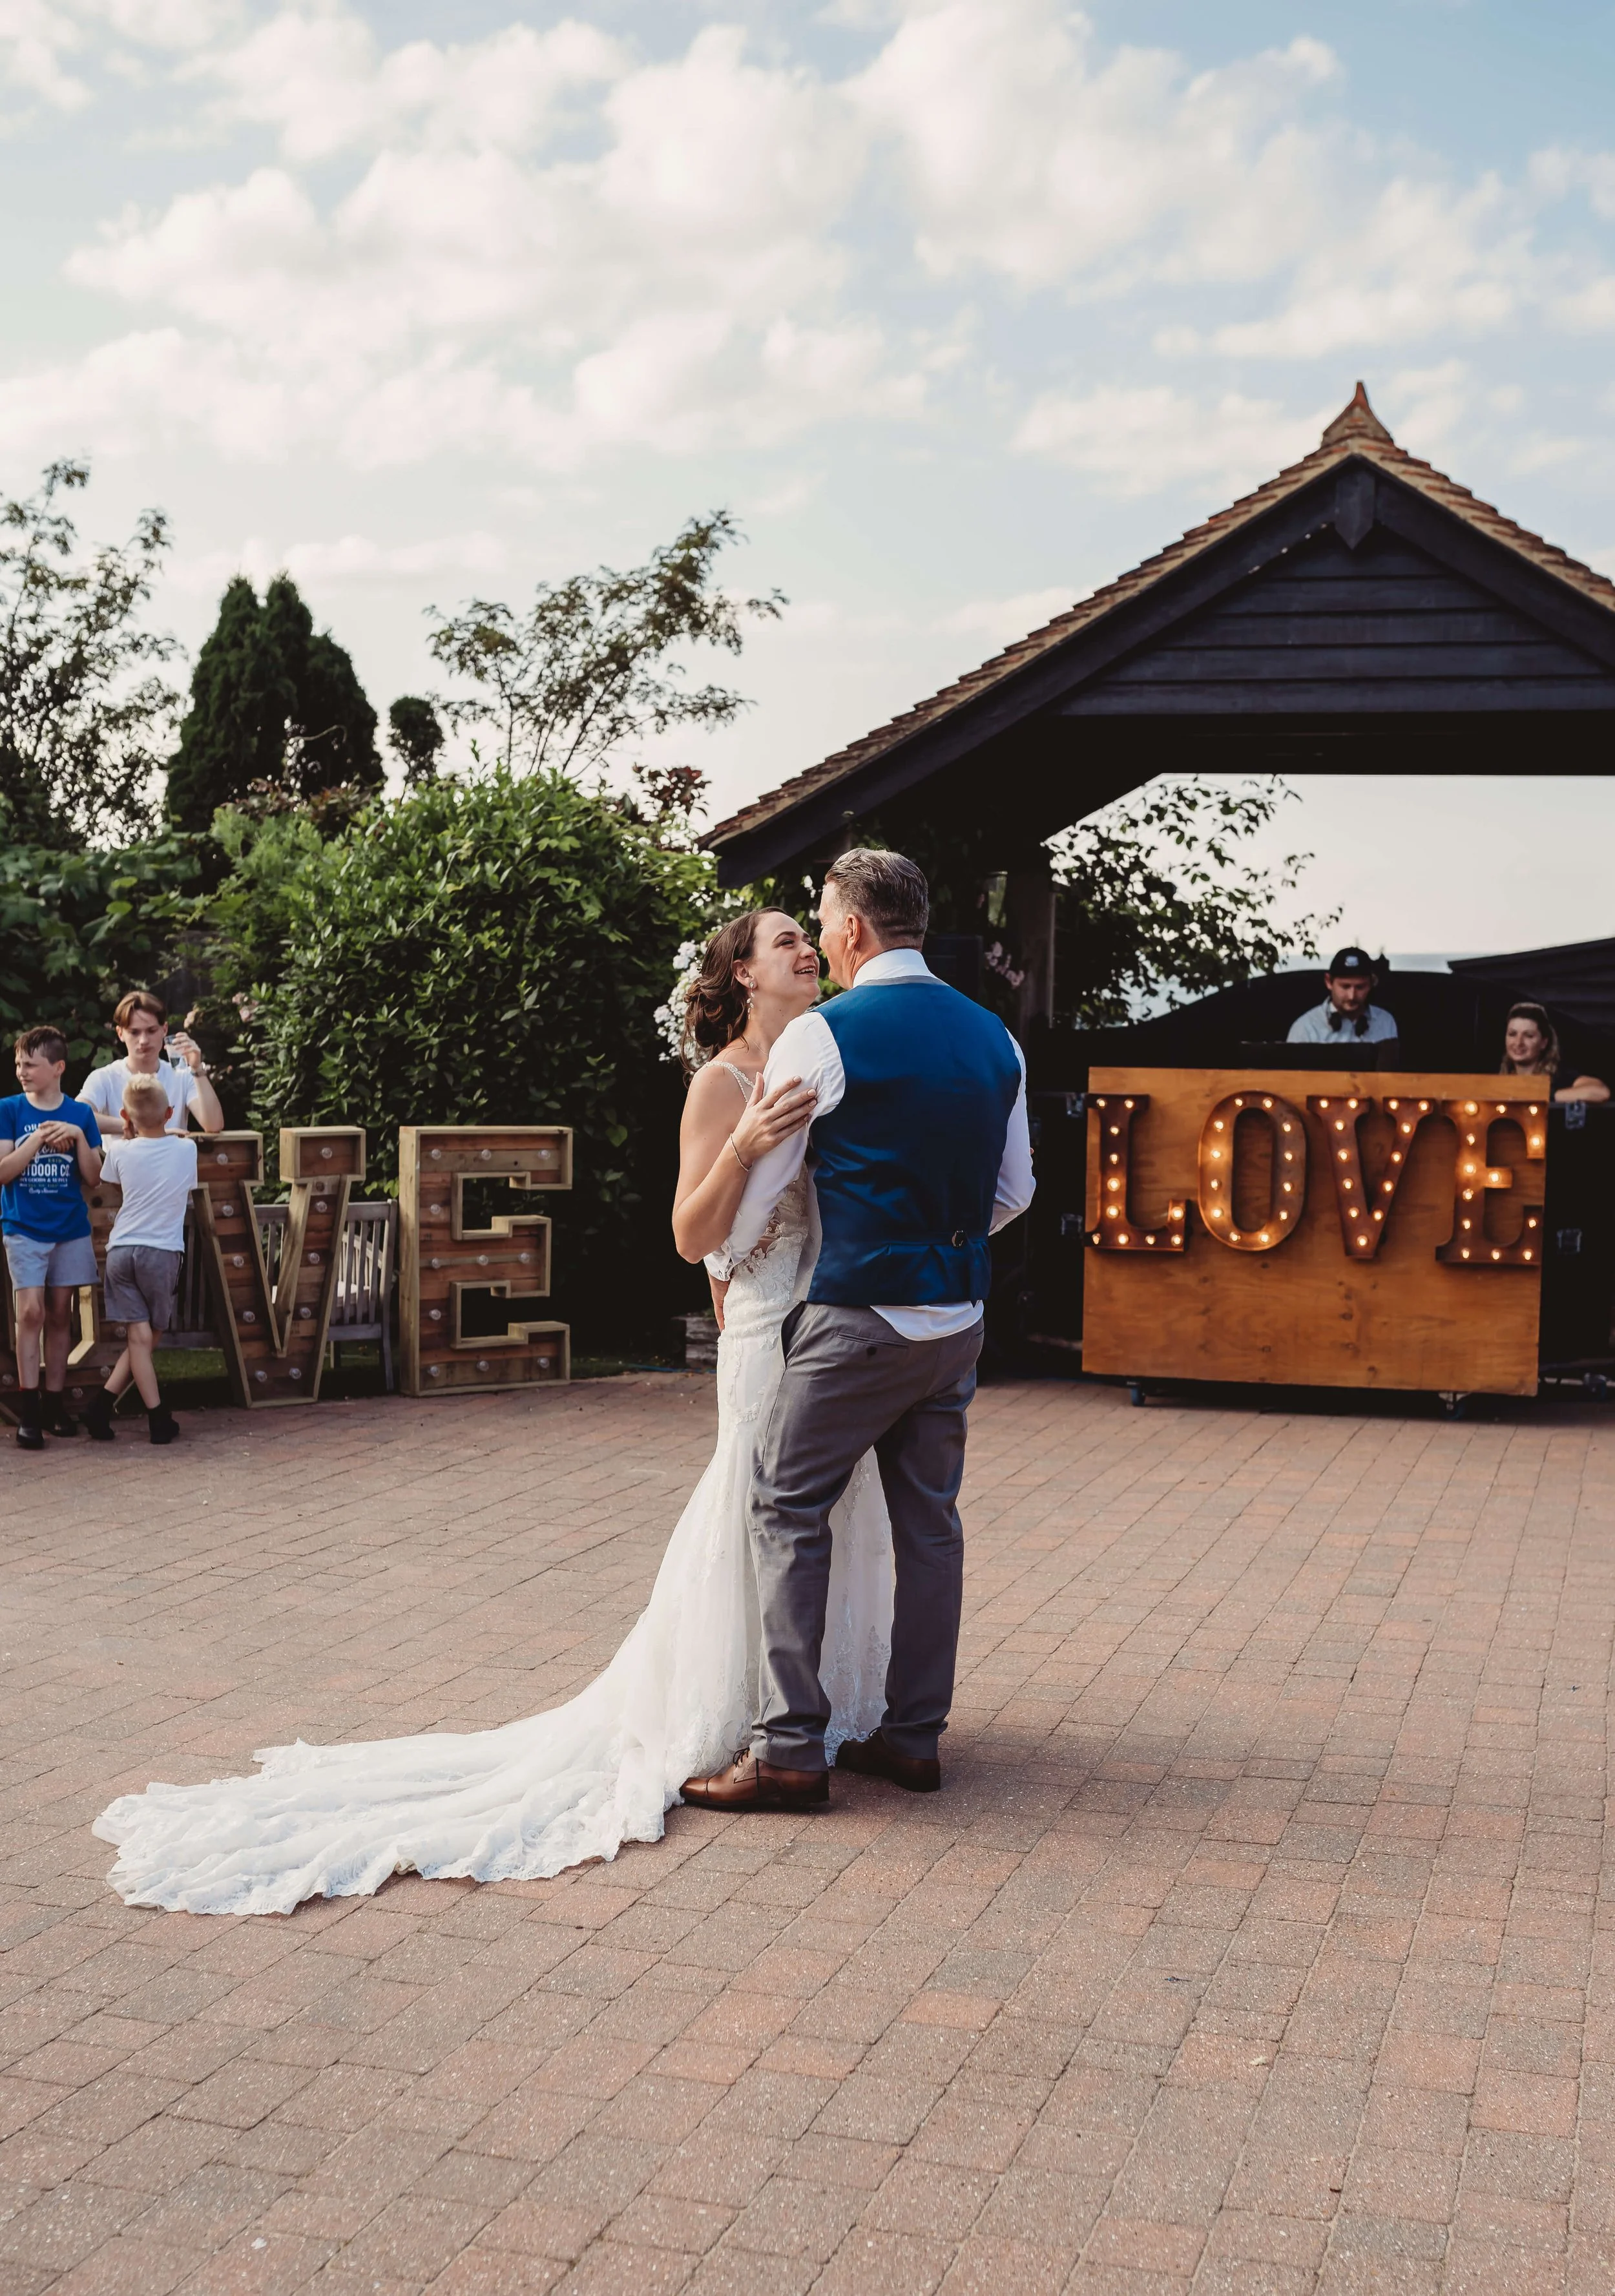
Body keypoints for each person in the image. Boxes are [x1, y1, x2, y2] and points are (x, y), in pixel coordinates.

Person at [94, 908, 897, 1914]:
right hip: (766, 1337)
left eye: (807, 937)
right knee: (754, 1516)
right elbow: (692, 1235)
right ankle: (746, 1712)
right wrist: (741, 1147)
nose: (806, 952)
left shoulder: (826, 1067)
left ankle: (806, 1706)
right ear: (742, 971)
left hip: (819, 1329)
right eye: (785, 940)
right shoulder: (721, 1083)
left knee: (819, 1514)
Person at [682, 847, 1034, 1814]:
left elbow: (751, 1209)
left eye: (824, 924)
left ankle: (790, 1748)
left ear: (852, 928)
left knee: (786, 1505)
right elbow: (1014, 1193)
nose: (822, 942)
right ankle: (914, 1736)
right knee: (931, 1527)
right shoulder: (995, 1037)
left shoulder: (824, 1037)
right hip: (958, 1318)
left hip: (856, 1315)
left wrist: (722, 1265)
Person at [1, 1027, 103, 1450]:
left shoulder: (80, 1114)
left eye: (30, 1064)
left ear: (57, 1068)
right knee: (31, 1314)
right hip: (23, 1228)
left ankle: (55, 1404)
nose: (22, 1071)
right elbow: (3, 1171)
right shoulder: (9, 1109)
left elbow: (94, 1178)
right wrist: (40, 1139)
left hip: (69, 1230)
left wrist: (78, 1136)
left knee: (62, 1315)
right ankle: (28, 1413)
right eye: (18, 1064)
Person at [83, 1075, 197, 1446]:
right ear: (169, 1112)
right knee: (149, 1337)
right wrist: (174, 1132)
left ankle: (100, 1407)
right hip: (161, 1253)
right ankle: (158, 1419)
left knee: (139, 1338)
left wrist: (130, 1135)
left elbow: (111, 1180)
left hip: (121, 1251)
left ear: (124, 1117)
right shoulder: (186, 1150)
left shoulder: (118, 1151)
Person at [77, 990, 224, 1140]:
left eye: (151, 1031)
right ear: (120, 1034)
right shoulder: (105, 1077)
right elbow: (78, 1116)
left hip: (172, 1162)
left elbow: (213, 1125)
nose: (144, 1041)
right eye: (134, 1033)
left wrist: (197, 1068)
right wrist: (136, 1126)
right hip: (124, 1163)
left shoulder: (183, 1075)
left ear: (164, 1030)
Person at [1287, 946, 1400, 1055]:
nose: (1352, 996)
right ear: (1328, 982)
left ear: (1371, 984)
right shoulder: (1306, 1027)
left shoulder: (1385, 1022)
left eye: (1360, 987)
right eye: (1345, 987)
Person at [1499, 1001, 1610, 1104]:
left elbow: (1600, 1092)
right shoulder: (1499, 1081)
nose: (1519, 1043)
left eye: (1529, 1036)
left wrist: (1545, 1096)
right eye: (1512, 1034)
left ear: (1543, 1043)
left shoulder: (1559, 1077)